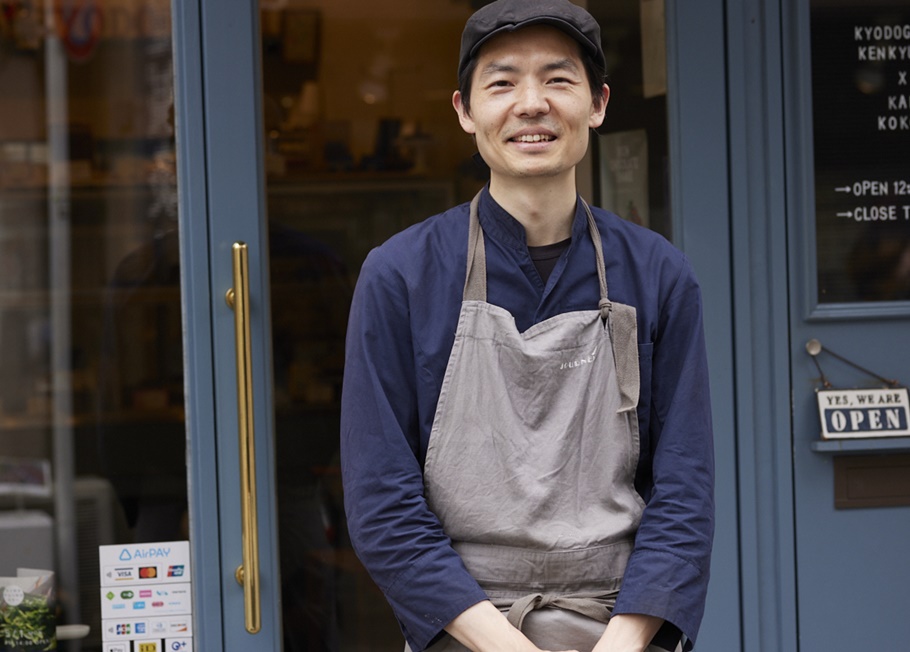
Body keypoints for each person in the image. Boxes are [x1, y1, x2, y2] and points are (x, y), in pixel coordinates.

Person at [340, 1, 715, 651]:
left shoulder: (659, 275)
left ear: (597, 105)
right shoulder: (401, 276)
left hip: (620, 628)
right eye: (503, 81)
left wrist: (623, 643)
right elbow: (383, 505)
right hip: (463, 628)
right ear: (464, 109)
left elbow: (684, 495)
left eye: (558, 79)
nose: (532, 103)